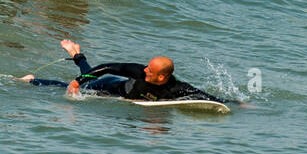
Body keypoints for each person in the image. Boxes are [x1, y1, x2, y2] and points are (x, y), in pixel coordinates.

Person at [19, 40, 225, 103]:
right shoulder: (139, 72)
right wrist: (76, 83)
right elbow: (108, 67)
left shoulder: (177, 88)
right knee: (70, 86)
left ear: (162, 77)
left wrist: (235, 104)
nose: (145, 69)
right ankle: (32, 80)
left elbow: (204, 97)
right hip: (108, 86)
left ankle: (77, 55)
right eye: (146, 66)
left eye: (150, 70)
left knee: (87, 74)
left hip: (119, 87)